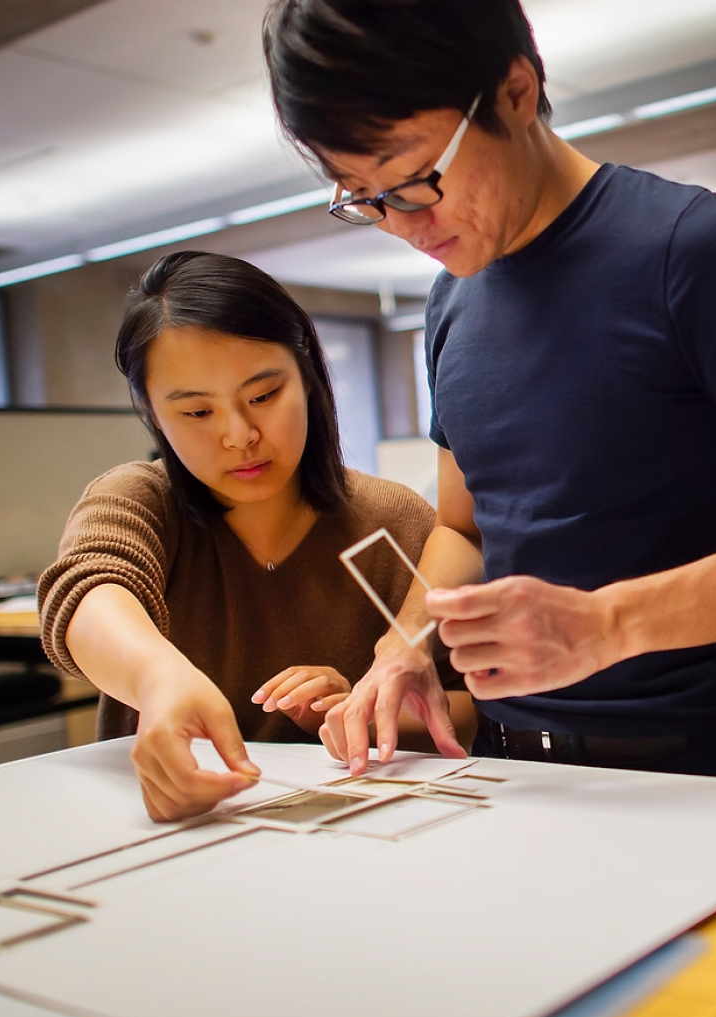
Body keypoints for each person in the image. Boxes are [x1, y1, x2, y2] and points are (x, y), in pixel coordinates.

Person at [264, 0, 716, 780]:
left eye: (416, 181)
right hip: (509, 768)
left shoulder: (694, 251)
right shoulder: (449, 301)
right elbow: (465, 529)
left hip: (694, 766)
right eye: (364, 200)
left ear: (515, 92)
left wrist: (610, 622)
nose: (402, 226)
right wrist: (403, 648)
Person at [38, 251, 466, 821]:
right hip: (174, 835)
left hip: (358, 837)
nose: (239, 436)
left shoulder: (394, 521)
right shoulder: (138, 499)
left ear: (309, 376)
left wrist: (357, 714)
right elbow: (86, 592)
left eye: (264, 396)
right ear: (152, 413)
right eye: (196, 413)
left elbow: (468, 707)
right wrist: (159, 679)